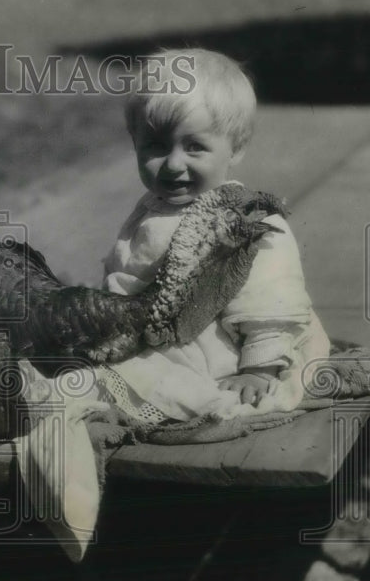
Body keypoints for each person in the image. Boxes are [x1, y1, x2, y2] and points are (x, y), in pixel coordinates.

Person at [95, 48, 331, 422]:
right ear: (134, 142)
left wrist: (258, 368)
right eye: (155, 146)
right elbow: (127, 270)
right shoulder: (150, 207)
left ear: (234, 149)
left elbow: (271, 300)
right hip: (153, 339)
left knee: (138, 385)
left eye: (194, 147)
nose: (173, 164)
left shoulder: (241, 218)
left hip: (222, 354)